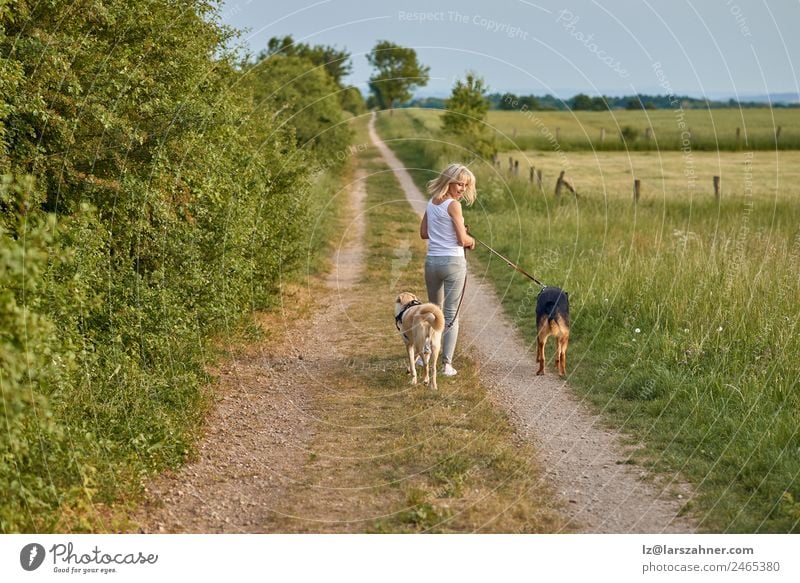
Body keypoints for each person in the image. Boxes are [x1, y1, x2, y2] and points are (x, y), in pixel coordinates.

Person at [419, 163, 477, 377]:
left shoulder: (432, 202)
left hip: (432, 262)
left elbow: (424, 233)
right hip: (453, 263)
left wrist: (444, 233)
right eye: (459, 184)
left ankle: (423, 354)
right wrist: (471, 241)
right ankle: (446, 365)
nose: (462, 189)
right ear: (448, 181)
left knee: (434, 311)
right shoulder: (454, 205)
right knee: (451, 315)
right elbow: (462, 240)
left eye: (465, 185)